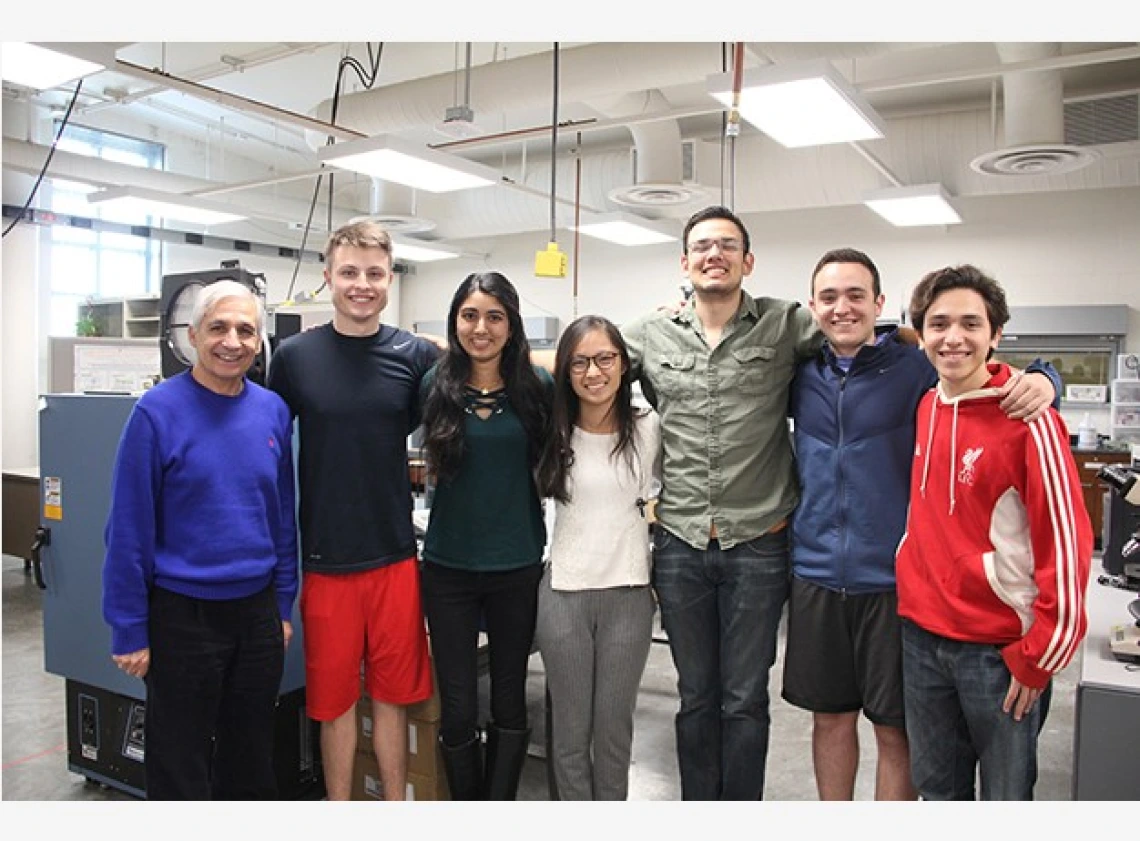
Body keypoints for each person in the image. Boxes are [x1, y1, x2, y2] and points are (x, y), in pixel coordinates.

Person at [782, 249, 1061, 801]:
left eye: (856, 295)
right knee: (830, 720)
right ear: (812, 306)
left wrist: (1046, 378)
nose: (843, 308)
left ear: (879, 304)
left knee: (895, 731)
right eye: (830, 297)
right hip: (814, 576)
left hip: (892, 584)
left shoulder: (915, 367)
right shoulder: (795, 372)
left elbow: (990, 375)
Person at [896, 264, 1092, 800]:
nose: (953, 337)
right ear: (921, 334)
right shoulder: (927, 405)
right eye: (937, 324)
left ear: (995, 334)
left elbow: (1068, 543)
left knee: (1005, 799)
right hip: (921, 636)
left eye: (970, 324)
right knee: (938, 794)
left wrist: (1040, 656)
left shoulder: (1029, 420)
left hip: (998, 650)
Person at [102, 280, 298, 800]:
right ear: (192, 336)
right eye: (218, 328)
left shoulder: (273, 412)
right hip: (181, 618)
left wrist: (282, 605)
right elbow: (128, 527)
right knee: (178, 763)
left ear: (259, 343)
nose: (231, 341)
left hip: (255, 616)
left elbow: (281, 517)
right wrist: (128, 627)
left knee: (250, 757)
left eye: (245, 330)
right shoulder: (155, 413)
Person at [266, 220, 437, 801]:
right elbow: (258, 439)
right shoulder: (293, 358)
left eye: (373, 273)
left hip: (393, 557)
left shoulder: (415, 356)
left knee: (391, 699)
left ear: (389, 279)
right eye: (348, 273)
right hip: (325, 560)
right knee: (334, 703)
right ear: (327, 278)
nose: (361, 285)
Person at [418, 271, 553, 800]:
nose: (481, 328)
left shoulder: (535, 388)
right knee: (456, 703)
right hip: (448, 568)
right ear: (456, 322)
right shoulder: (435, 385)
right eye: (470, 315)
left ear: (512, 324)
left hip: (515, 564)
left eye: (494, 316)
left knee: (508, 698)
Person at [534, 315, 662, 800]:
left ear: (623, 364)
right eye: (580, 362)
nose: (594, 373)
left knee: (613, 735)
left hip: (628, 596)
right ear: (566, 370)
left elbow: (683, 485)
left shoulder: (649, 428)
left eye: (605, 359)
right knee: (568, 738)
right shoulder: (552, 429)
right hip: (564, 595)